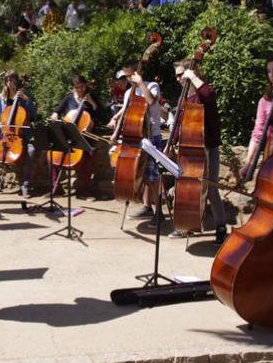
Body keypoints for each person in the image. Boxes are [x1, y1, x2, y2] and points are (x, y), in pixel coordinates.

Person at [167, 60, 228, 245]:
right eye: (177, 75)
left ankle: (221, 227)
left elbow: (209, 95)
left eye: (181, 74)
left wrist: (192, 76)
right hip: (190, 150)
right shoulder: (183, 97)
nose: (178, 78)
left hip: (209, 148)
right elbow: (178, 123)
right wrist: (171, 142)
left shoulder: (202, 93)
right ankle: (187, 225)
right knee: (188, 190)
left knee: (212, 191)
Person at [107, 62, 163, 217]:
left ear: (139, 72)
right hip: (135, 137)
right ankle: (146, 207)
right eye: (126, 76)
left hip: (152, 136)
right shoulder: (127, 93)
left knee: (153, 177)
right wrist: (115, 127)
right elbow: (125, 111)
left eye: (131, 75)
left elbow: (151, 101)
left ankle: (159, 212)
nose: (129, 79)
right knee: (142, 175)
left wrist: (140, 84)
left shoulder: (152, 86)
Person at [50, 75, 102, 198]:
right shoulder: (69, 98)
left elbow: (102, 115)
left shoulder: (92, 97)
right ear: (73, 88)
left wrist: (92, 103)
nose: (80, 90)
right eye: (77, 87)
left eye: (82, 86)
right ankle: (56, 188)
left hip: (85, 136)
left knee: (89, 155)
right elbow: (57, 111)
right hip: (68, 134)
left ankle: (85, 190)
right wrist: (55, 115)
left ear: (86, 85)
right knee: (52, 155)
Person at [0, 71, 37, 198]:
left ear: (17, 81)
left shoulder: (23, 97)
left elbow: (34, 114)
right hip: (2, 134)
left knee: (31, 152)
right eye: (8, 81)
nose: (10, 83)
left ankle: (25, 184)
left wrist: (27, 100)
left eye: (13, 80)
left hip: (21, 135)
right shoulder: (0, 98)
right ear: (5, 82)